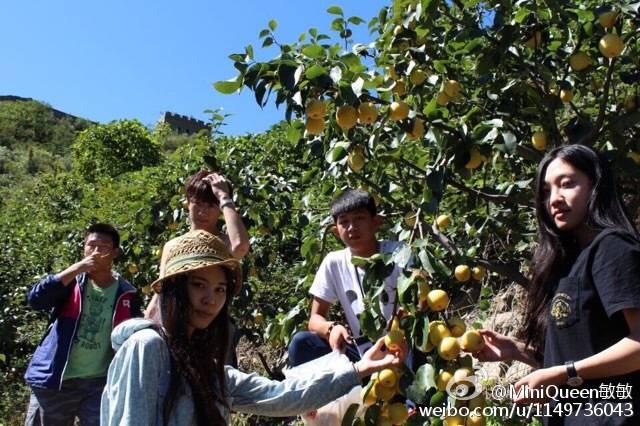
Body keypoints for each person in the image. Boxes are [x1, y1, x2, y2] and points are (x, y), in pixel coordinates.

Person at [100, 229, 405, 425]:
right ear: (175, 290)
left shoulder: (208, 367)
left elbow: (285, 396)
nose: (211, 300)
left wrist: (360, 369)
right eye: (199, 285)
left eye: (220, 289)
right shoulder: (147, 347)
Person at [474, 145, 640, 425]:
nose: (555, 199)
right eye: (546, 191)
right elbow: (582, 360)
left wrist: (566, 373)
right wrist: (517, 350)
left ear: (596, 185)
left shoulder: (612, 249)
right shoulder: (568, 265)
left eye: (567, 184)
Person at [24, 223, 140, 426]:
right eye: (91, 245)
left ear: (115, 253)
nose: (96, 251)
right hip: (56, 381)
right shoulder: (70, 282)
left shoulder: (127, 293)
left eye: (103, 246)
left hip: (99, 383)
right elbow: (36, 299)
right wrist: (76, 268)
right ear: (83, 249)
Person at [288, 189, 404, 366]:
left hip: (401, 345)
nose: (352, 227)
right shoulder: (334, 263)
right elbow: (315, 319)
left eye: (359, 218)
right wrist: (331, 329)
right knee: (302, 343)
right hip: (361, 354)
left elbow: (421, 302)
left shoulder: (399, 253)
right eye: (344, 222)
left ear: (375, 222)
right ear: (336, 231)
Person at [145, 170, 250, 364]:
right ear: (188, 202)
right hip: (177, 331)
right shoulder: (173, 245)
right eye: (198, 203)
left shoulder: (221, 244)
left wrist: (224, 196)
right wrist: (146, 324)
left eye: (211, 205)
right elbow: (162, 292)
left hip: (214, 332)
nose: (203, 211)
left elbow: (240, 245)